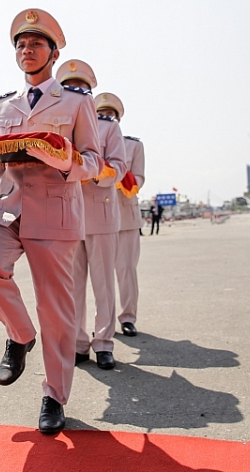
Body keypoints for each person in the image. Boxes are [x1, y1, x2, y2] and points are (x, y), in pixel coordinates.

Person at [0, 8, 103, 434]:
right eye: (21, 44)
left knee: (56, 311)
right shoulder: (1, 105)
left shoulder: (77, 103)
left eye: (36, 43)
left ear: (53, 52)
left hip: (55, 210)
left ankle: (53, 396)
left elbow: (94, 162)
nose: (27, 49)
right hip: (7, 206)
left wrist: (65, 161)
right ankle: (20, 335)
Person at [56, 62, 128, 370]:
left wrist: (92, 172)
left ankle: (104, 343)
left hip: (100, 215)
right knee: (72, 287)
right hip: (67, 215)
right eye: (69, 86)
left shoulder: (108, 127)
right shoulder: (56, 122)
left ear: (89, 91)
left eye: (81, 87)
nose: (75, 91)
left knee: (103, 285)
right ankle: (78, 342)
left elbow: (119, 167)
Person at [95, 94, 146, 337]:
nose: (106, 117)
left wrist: (116, 178)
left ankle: (127, 317)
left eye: (111, 114)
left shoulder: (133, 145)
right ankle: (104, 325)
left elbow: (139, 179)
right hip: (98, 217)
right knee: (100, 274)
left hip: (125, 216)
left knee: (126, 269)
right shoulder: (90, 143)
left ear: (118, 118)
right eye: (101, 113)